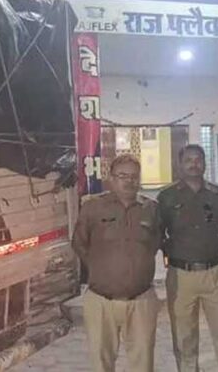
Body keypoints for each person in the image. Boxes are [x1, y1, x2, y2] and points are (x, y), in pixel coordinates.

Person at [71, 154, 161, 372]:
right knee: (101, 363)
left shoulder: (151, 209)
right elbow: (79, 243)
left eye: (134, 176)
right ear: (111, 178)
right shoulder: (93, 208)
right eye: (122, 176)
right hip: (101, 301)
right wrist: (101, 268)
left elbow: (155, 244)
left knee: (143, 363)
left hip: (141, 301)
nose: (129, 181)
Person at [158, 144, 218, 372]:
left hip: (214, 275)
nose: (193, 164)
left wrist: (213, 248)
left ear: (204, 163)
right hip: (180, 276)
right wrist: (172, 250)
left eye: (198, 160)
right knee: (184, 340)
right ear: (179, 164)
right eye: (188, 160)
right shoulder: (167, 196)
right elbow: (157, 233)